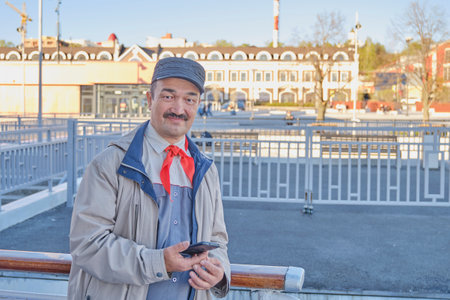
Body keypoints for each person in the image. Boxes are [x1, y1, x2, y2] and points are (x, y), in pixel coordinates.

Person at [68, 57, 230, 300]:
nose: (178, 108)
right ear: (149, 99)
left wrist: (219, 273)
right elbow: (87, 245)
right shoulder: (110, 164)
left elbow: (218, 240)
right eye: (168, 96)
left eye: (189, 99)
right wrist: (157, 262)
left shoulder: (206, 171)